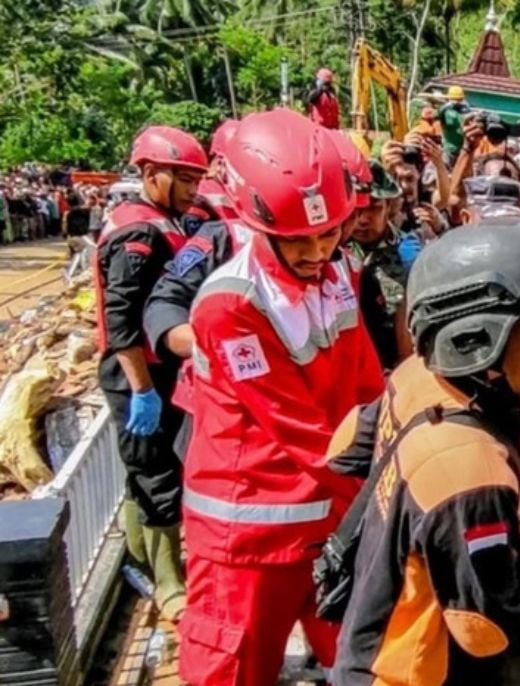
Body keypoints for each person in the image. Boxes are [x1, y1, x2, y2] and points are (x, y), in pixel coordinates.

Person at [333, 219, 520, 685]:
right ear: (476, 341)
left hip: (370, 633)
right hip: (411, 671)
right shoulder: (471, 472)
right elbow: (490, 627)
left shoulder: (415, 374)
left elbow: (346, 450)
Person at [177, 109, 385, 686]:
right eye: (299, 240)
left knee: (367, 658)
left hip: (325, 517)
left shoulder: (337, 272)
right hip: (247, 536)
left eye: (330, 232)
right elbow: (298, 429)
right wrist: (390, 487)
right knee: (234, 670)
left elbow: (366, 381)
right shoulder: (231, 306)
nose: (318, 251)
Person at [95, 125, 208, 623]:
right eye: (181, 178)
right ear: (149, 173)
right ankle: (168, 581)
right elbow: (121, 319)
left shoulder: (168, 219)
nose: (191, 189)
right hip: (141, 372)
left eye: (195, 179)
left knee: (144, 464)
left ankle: (140, 551)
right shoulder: (138, 233)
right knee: (156, 470)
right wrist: (142, 388)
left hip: (159, 369)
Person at [349, 161, 409, 370]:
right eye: (357, 209)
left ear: (389, 207)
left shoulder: (409, 253)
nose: (363, 219)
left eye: (373, 208)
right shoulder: (331, 253)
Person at [437, 86, 471, 166]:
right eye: (456, 100)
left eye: (459, 100)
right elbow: (436, 115)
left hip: (463, 150)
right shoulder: (445, 112)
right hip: (449, 150)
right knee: (445, 171)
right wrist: (447, 106)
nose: (457, 102)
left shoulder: (465, 111)